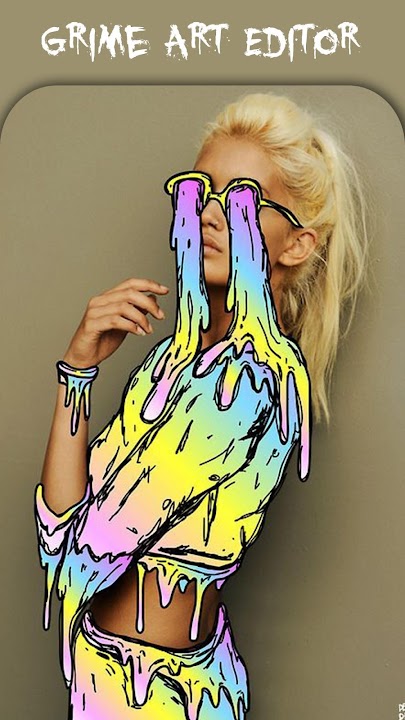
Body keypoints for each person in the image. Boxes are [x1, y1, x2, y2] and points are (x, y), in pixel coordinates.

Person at [34, 92, 368, 719]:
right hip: (103, 676)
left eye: (241, 199)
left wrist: (68, 541)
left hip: (164, 699)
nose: (210, 214)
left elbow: (82, 551)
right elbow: (56, 532)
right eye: (198, 191)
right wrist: (76, 370)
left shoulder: (252, 385)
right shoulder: (169, 363)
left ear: (297, 244)